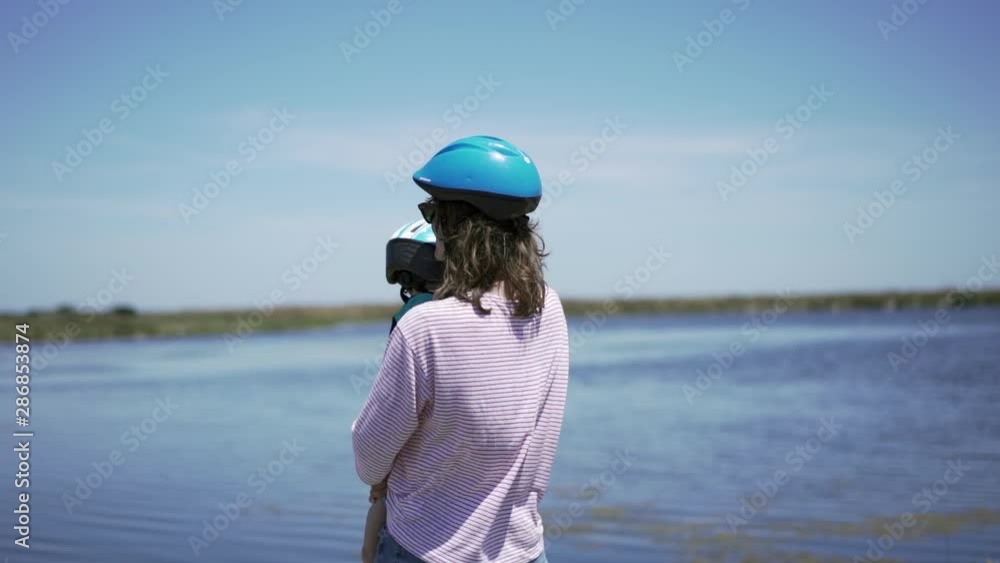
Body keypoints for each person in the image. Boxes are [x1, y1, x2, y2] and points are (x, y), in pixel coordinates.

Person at [352, 136, 570, 563]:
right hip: (523, 550)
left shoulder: (424, 327)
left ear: (458, 227)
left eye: (433, 213)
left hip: (426, 550)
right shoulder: (550, 309)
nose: (432, 228)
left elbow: (369, 460)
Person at [362, 218, 444, 563]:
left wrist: (378, 477)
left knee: (378, 511)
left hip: (414, 518)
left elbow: (383, 425)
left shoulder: (412, 316)